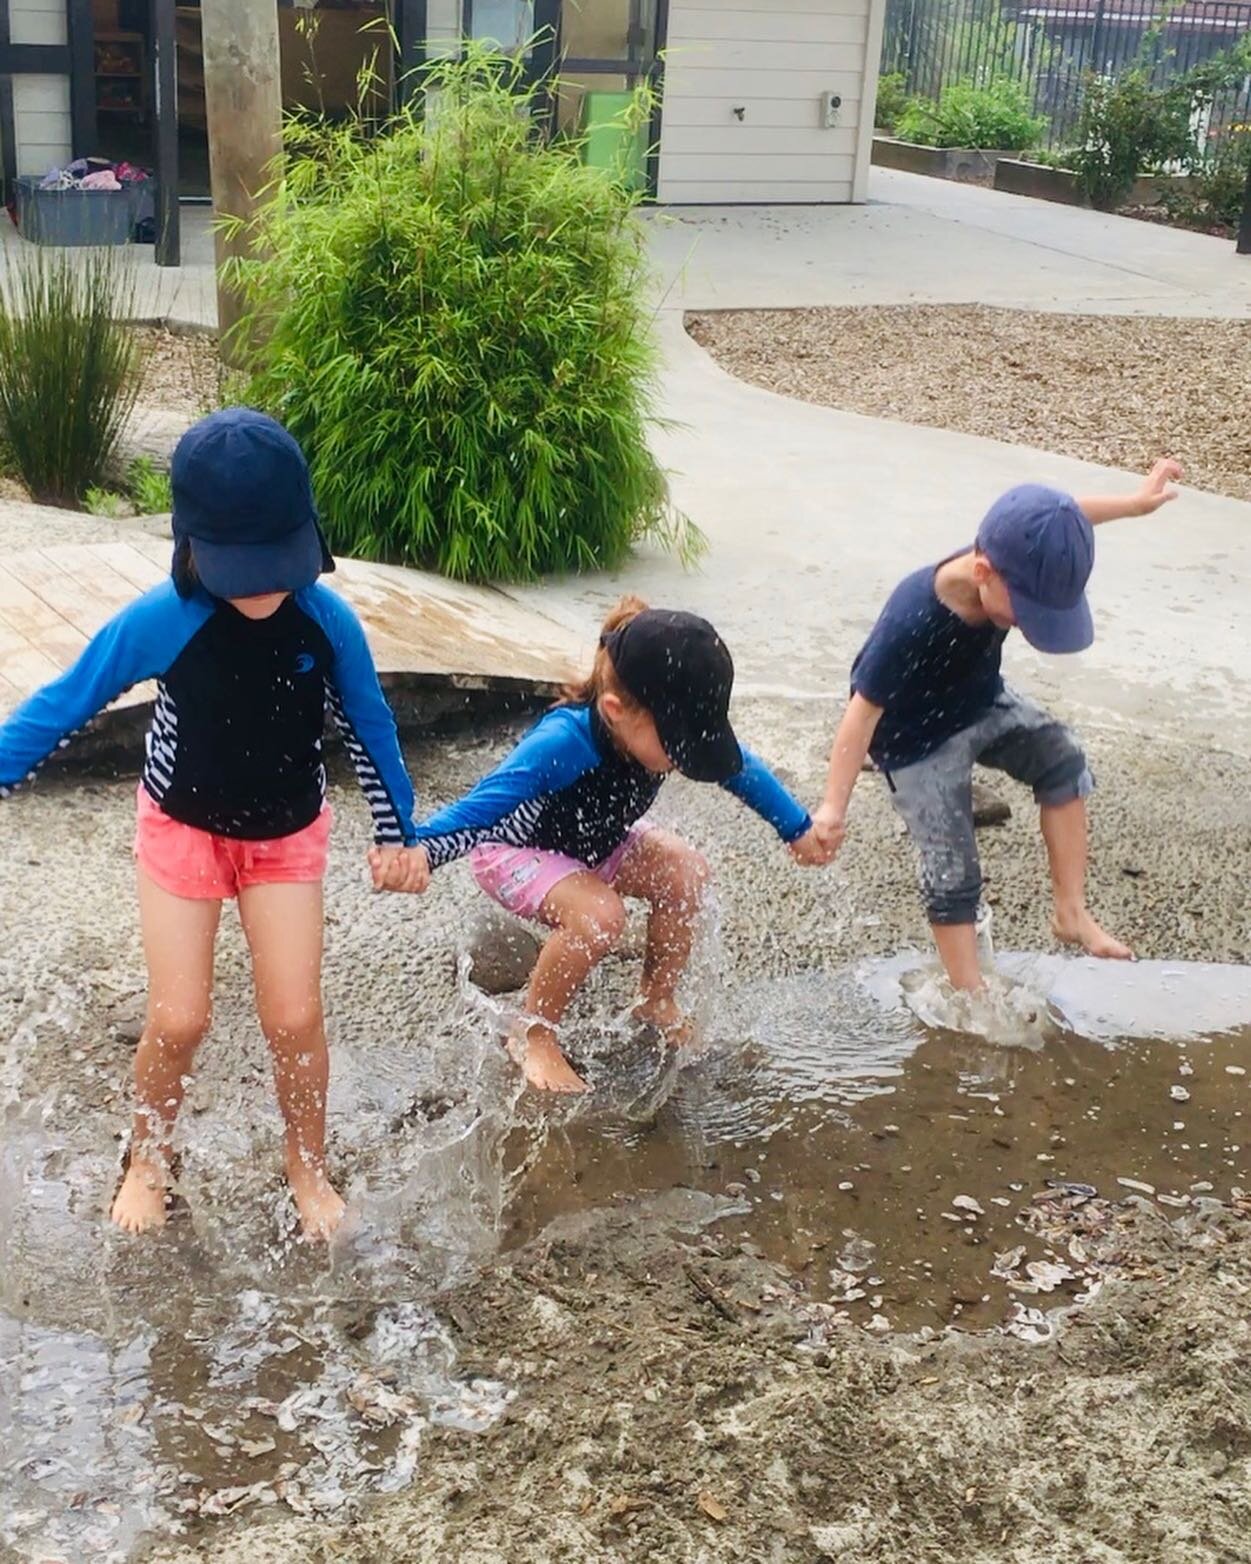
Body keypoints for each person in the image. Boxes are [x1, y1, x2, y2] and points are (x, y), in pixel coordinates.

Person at [0, 408, 428, 1240]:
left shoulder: (326, 622)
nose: (266, 587)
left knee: (296, 1016)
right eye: (244, 569)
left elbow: (369, 730)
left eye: (281, 564)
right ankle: (149, 1157)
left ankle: (307, 1162)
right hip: (182, 831)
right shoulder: (162, 618)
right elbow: (64, 703)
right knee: (179, 1018)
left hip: (286, 836)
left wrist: (396, 832)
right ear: (191, 548)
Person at [373, 597, 831, 1093]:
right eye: (679, 746)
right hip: (513, 851)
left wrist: (797, 828)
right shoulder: (565, 741)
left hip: (594, 844)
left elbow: (741, 769)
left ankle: (655, 1000)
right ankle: (534, 1034)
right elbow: (484, 806)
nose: (685, 759)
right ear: (615, 712)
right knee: (600, 915)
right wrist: (418, 849)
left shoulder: (652, 724)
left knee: (686, 872)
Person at [811, 460, 1182, 993]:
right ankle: (970, 995)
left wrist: (1134, 504)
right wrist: (832, 806)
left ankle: (1072, 911)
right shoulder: (913, 617)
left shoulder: (1012, 550)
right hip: (916, 745)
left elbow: (1069, 515)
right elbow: (860, 713)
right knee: (954, 867)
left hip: (981, 702)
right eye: (1026, 610)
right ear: (982, 571)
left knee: (1062, 756)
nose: (1030, 623)